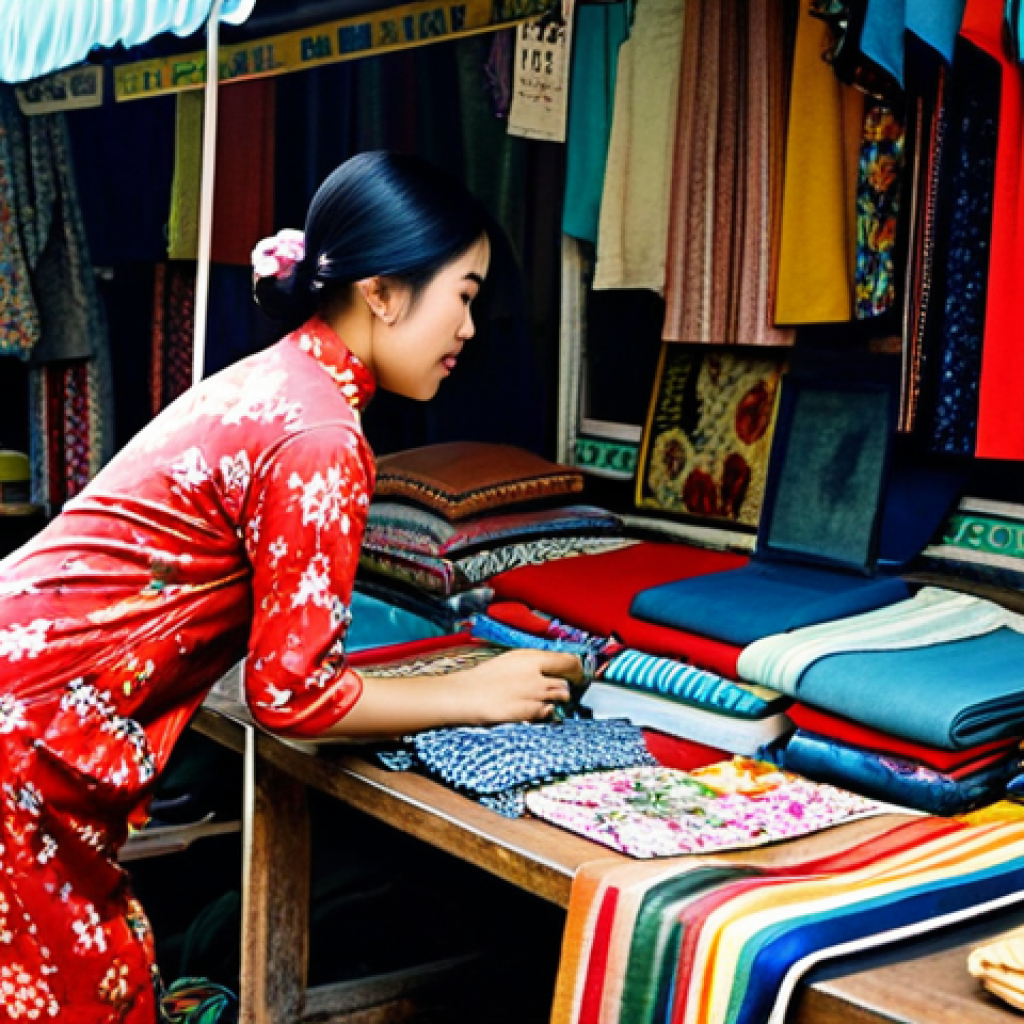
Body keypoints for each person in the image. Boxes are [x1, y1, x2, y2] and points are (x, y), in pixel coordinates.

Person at [0, 151, 581, 1023]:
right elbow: (292, 697)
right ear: (383, 293)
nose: (471, 326)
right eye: (463, 294)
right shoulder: (319, 430)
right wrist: (476, 690)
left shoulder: (280, 381)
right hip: (26, 747)